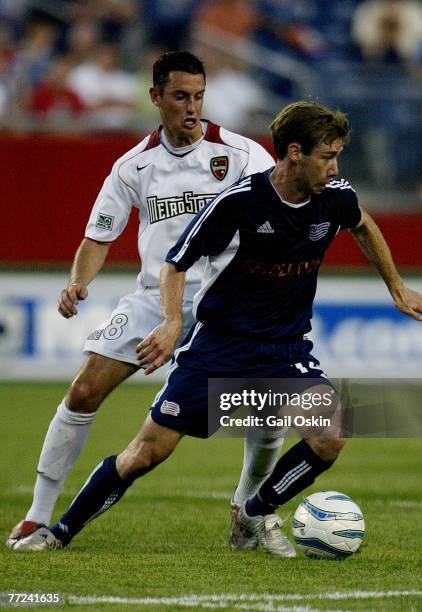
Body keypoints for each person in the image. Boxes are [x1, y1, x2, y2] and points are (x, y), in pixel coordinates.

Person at [10, 101, 422, 557]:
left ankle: (252, 513)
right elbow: (176, 263)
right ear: (294, 152)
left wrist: (397, 286)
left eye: (338, 156)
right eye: (326, 156)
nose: (334, 167)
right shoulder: (241, 201)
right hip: (219, 347)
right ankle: (57, 532)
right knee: (145, 453)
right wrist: (173, 321)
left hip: (284, 348)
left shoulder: (335, 195)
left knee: (330, 435)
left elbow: (362, 224)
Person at [7, 50, 278, 552]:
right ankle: (36, 515)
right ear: (155, 97)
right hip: (156, 297)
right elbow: (98, 236)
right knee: (84, 390)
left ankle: (248, 506)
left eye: (198, 96)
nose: (192, 108)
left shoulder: (243, 155)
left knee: (265, 405)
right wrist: (77, 282)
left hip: (228, 300)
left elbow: (279, 211)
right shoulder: (134, 165)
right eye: (180, 97)